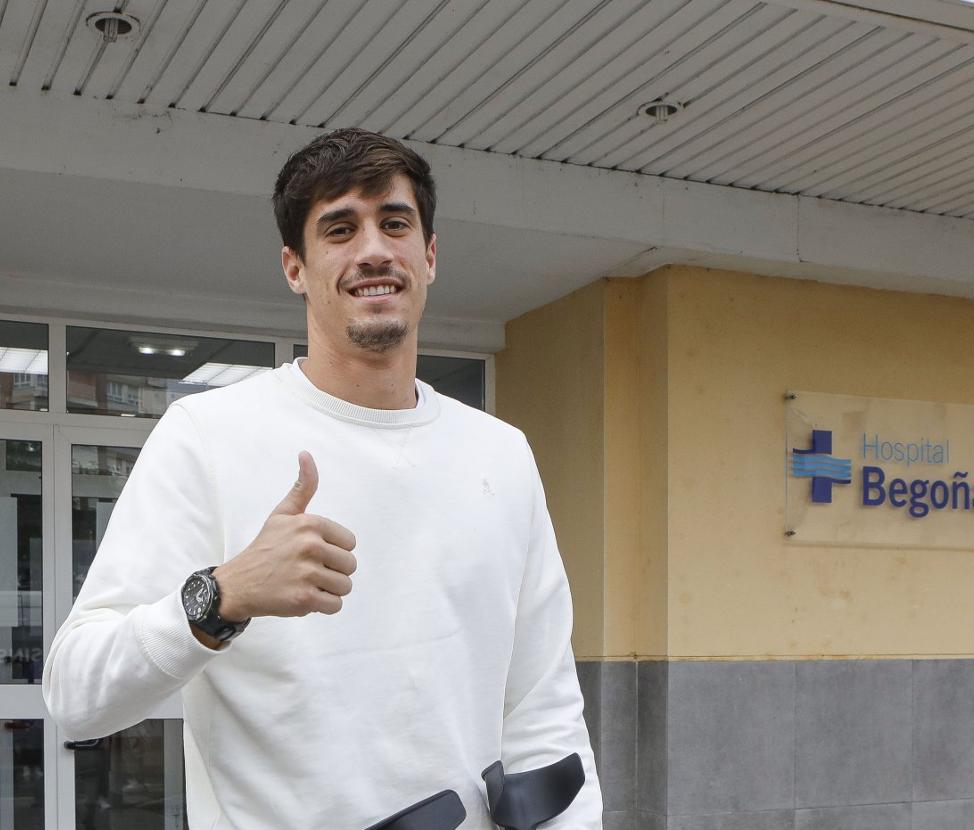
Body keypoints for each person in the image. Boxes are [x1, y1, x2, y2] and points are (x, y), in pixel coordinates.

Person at [42, 128, 602, 828]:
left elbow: (544, 710)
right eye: (340, 228)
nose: (373, 250)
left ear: (429, 255)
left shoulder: (502, 454)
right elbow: (76, 695)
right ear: (295, 268)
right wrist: (222, 596)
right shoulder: (208, 436)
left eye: (394, 223)